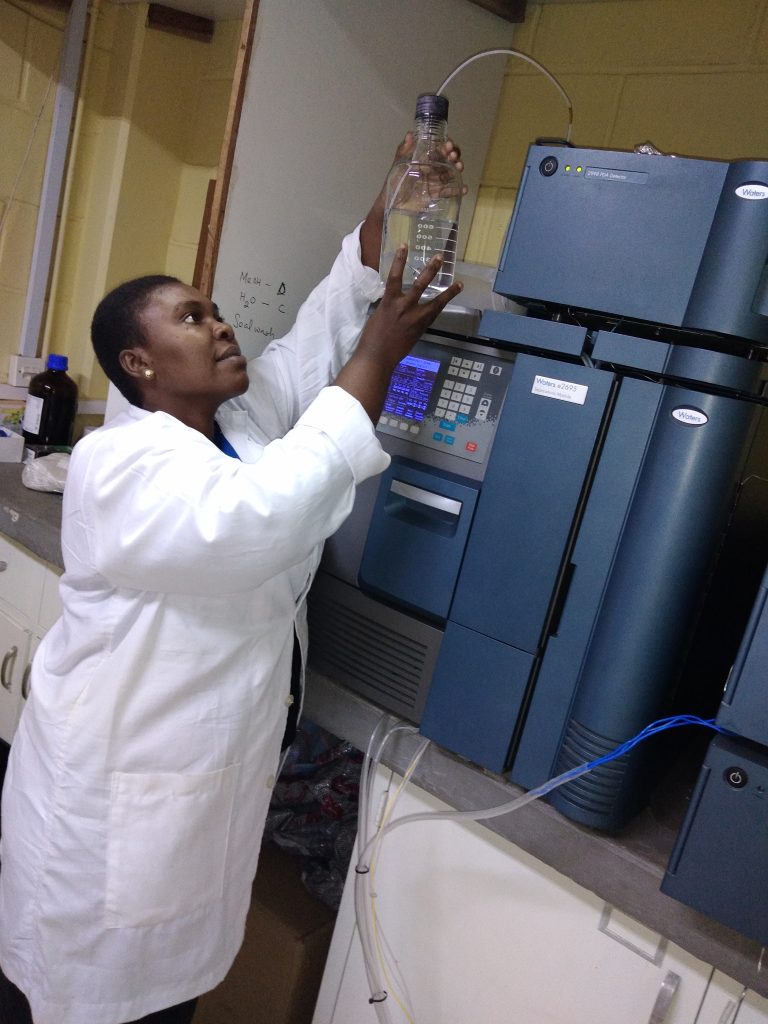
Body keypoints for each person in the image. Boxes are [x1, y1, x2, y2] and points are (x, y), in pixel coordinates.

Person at [0, 136, 464, 1024]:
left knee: (164, 991)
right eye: (188, 319)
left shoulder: (241, 419)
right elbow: (260, 519)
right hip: (116, 791)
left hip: (196, 785)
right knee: (88, 995)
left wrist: (394, 200)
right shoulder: (119, 462)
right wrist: (380, 355)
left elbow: (321, 325)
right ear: (137, 365)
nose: (218, 325)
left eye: (214, 311)